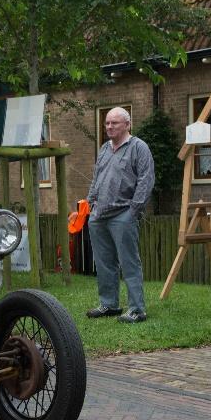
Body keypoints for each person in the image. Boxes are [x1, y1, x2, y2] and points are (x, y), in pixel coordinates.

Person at [86, 107, 154, 323]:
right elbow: (97, 178)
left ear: (127, 124)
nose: (109, 127)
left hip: (124, 214)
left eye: (114, 123)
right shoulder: (104, 148)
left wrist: (134, 209)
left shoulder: (139, 147)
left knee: (129, 262)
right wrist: (90, 203)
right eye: (107, 123)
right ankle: (109, 305)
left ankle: (137, 310)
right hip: (99, 215)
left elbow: (146, 179)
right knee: (104, 262)